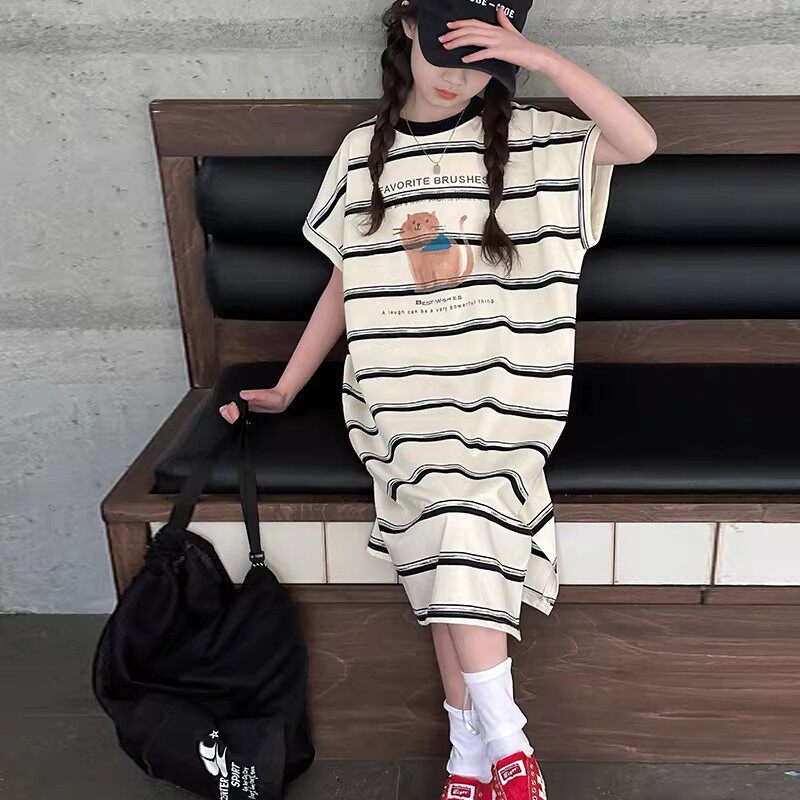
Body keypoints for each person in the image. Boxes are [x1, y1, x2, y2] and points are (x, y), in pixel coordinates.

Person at [219, 1, 657, 798]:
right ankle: (504, 747)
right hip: (398, 388)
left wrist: (540, 58)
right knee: (451, 507)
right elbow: (349, 279)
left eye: (485, 65)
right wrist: (287, 385)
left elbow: (637, 142)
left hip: (506, 382)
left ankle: (475, 748)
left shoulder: (534, 139)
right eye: (448, 55)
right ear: (407, 33)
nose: (461, 79)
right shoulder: (365, 153)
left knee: (449, 509)